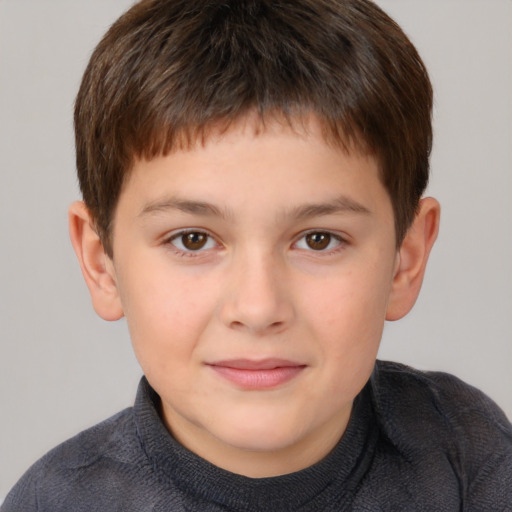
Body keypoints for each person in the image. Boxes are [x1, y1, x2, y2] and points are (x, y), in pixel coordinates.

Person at [2, 0, 511, 510]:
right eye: (192, 239)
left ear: (406, 258)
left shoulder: (471, 458)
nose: (258, 308)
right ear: (101, 263)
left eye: (318, 239)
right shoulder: (54, 502)